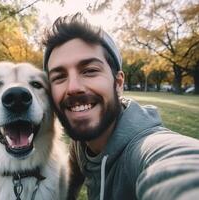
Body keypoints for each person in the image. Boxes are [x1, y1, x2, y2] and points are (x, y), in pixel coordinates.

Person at [42, 13, 199, 200]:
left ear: (118, 83)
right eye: (59, 77)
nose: (73, 87)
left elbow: (180, 163)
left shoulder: (146, 150)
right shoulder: (80, 144)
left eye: (90, 70)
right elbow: (69, 181)